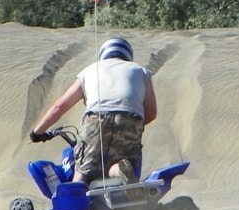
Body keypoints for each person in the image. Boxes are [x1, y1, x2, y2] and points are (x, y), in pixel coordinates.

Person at [30, 37, 157, 184]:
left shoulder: (89, 71)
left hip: (97, 119)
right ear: (128, 55)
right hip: (131, 119)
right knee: (119, 160)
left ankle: (75, 199)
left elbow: (60, 106)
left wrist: (37, 132)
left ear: (103, 54)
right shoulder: (141, 71)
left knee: (84, 168)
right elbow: (152, 112)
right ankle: (120, 169)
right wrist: (131, 126)